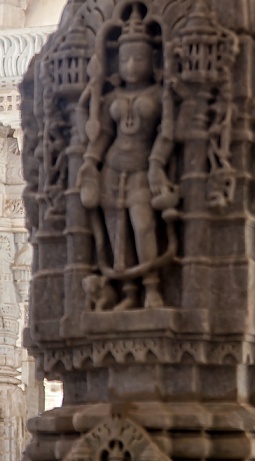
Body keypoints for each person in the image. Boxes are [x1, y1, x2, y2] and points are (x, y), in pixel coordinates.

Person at [78, 7, 172, 310]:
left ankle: (152, 287)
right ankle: (129, 292)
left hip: (143, 168)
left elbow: (166, 135)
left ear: (152, 61)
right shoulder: (111, 99)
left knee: (143, 224)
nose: (132, 65)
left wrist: (157, 164)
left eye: (140, 59)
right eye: (126, 59)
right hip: (112, 168)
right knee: (118, 231)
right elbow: (103, 134)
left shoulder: (160, 95)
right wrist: (91, 162)